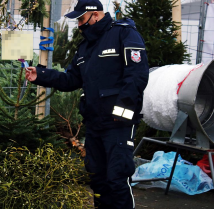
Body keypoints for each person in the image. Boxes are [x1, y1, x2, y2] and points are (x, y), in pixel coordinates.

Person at [25, 0, 149, 208]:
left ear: (96, 15)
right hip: (94, 124)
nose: (79, 24)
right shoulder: (85, 47)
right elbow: (71, 79)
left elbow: (136, 76)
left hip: (118, 124)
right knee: (97, 180)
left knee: (117, 178)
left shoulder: (123, 34)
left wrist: (123, 111)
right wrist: (42, 75)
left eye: (82, 19)